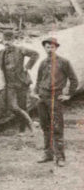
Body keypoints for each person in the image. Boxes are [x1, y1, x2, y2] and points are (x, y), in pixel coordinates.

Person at [35, 36, 78, 166]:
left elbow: (74, 80)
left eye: (52, 47)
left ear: (56, 48)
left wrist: (68, 95)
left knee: (57, 127)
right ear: (44, 48)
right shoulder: (43, 63)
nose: (50, 49)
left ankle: (60, 157)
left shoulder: (64, 62)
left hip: (55, 98)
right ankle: (48, 154)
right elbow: (38, 80)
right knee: (45, 127)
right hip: (42, 98)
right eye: (47, 47)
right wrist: (36, 93)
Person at [0, 32, 39, 133]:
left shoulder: (20, 49)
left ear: (13, 40)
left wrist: (27, 67)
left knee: (22, 106)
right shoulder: (2, 52)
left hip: (22, 82)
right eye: (5, 40)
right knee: (13, 106)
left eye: (9, 40)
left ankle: (22, 130)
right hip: (10, 84)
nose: (7, 43)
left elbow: (35, 54)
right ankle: (31, 123)